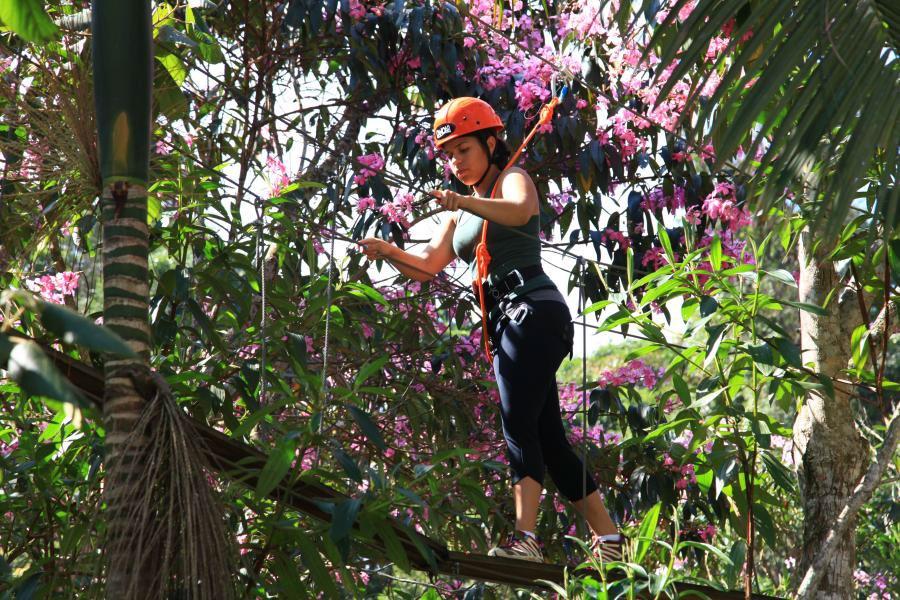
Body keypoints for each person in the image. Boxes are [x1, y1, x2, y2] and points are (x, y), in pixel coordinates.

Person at [357, 97, 624, 564]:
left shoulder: (511, 178)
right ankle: (610, 540)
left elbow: (520, 212)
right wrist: (389, 251)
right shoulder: (461, 212)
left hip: (532, 311)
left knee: (517, 423)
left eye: (464, 150)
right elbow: (426, 267)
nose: (456, 162)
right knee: (548, 436)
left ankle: (525, 541)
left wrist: (465, 200)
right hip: (511, 319)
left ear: (490, 142)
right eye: (449, 155)